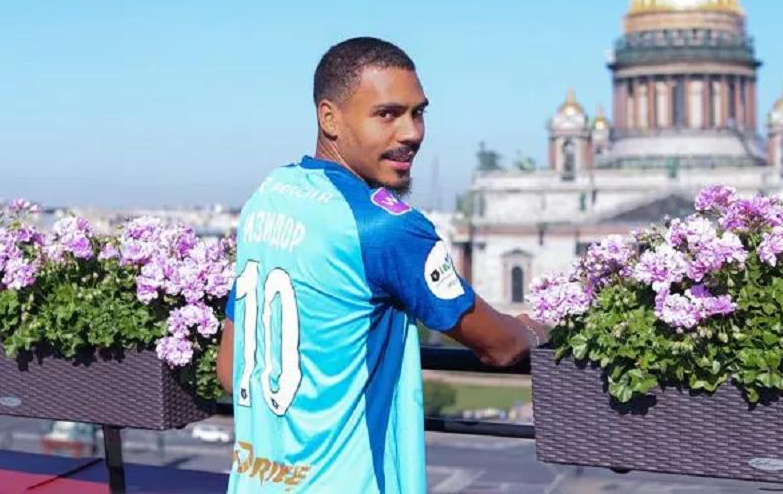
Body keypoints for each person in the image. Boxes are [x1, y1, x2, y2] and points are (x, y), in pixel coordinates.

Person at [216, 36, 547, 493]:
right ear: (329, 118)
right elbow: (501, 347)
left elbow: (229, 369)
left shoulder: (268, 197)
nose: (411, 133)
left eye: (418, 113)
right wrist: (535, 330)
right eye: (387, 114)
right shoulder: (386, 225)